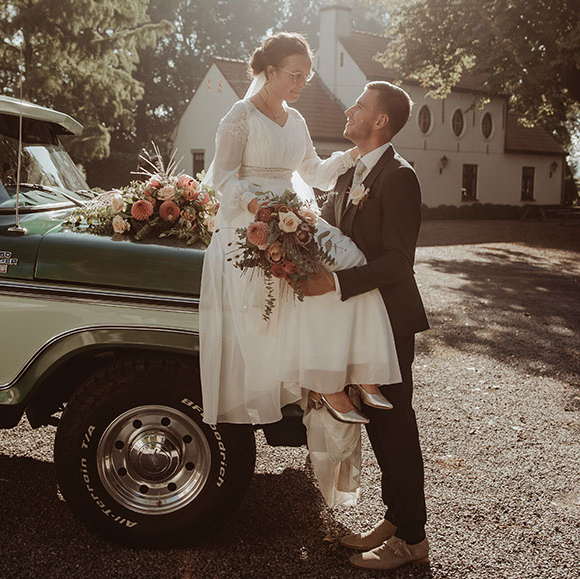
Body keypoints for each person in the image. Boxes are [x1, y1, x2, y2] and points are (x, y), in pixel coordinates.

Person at [198, 33, 400, 505]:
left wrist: (355, 155)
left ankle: (361, 372)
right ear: (267, 72)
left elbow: (310, 171)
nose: (301, 83)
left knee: (351, 261)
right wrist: (255, 207)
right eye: (295, 75)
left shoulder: (299, 120)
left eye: (306, 76)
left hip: (293, 212)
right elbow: (220, 180)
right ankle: (324, 384)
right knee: (299, 293)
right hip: (248, 221)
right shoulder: (238, 118)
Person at [303, 81, 432, 570]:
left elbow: (400, 261)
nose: (349, 109)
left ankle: (413, 540)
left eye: (359, 105)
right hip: (356, 320)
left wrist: (333, 286)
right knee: (378, 425)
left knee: (394, 426)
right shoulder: (347, 173)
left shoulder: (400, 177)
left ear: (380, 121)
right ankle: (395, 520)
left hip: (388, 320)